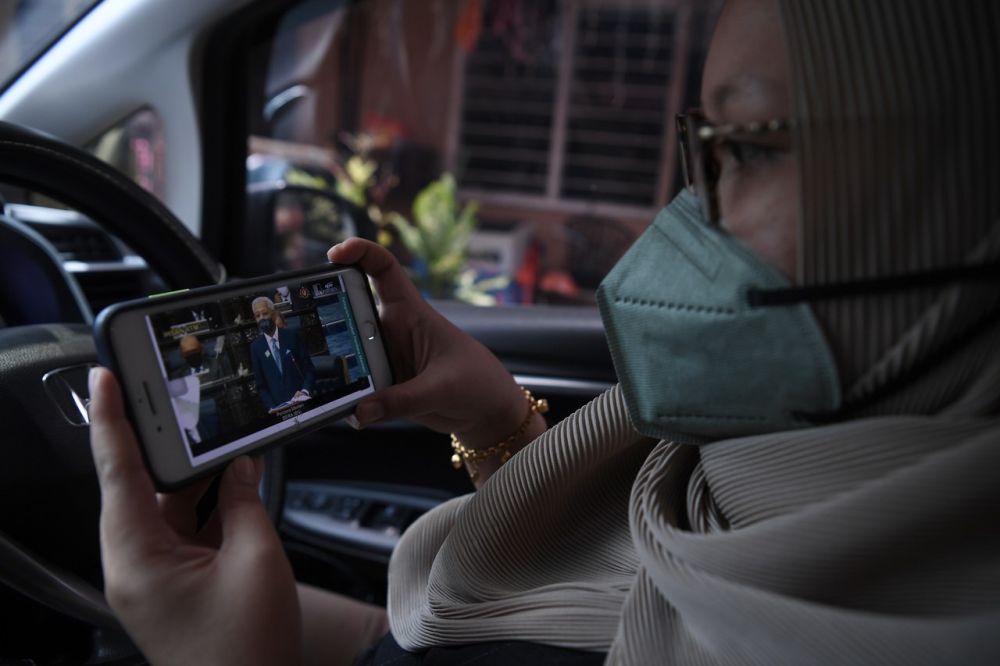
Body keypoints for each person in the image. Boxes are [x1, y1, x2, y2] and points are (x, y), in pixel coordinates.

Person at [87, 0, 1000, 664]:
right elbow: (469, 625)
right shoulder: (751, 480)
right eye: (700, 145)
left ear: (955, 196)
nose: (679, 213)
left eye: (752, 147)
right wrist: (499, 425)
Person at [249, 296, 317, 412]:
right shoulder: (256, 347)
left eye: (265, 313)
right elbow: (261, 386)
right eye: (257, 316)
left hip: (303, 403)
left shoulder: (292, 336)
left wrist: (304, 391)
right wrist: (272, 407)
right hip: (280, 410)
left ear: (274, 314)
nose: (261, 318)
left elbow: (309, 370)